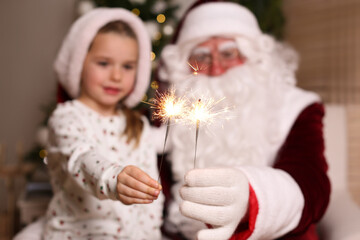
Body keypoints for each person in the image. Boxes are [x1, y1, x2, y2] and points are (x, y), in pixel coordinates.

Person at [158, 1, 331, 240]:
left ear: (252, 56)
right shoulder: (174, 109)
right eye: (202, 57)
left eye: (229, 53)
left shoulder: (297, 107)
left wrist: (252, 198)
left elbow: (312, 184)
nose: (217, 67)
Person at [14, 8, 164, 240]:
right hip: (76, 233)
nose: (116, 76)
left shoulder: (138, 125)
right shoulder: (66, 118)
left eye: (127, 66)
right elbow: (80, 158)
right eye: (104, 63)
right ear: (79, 63)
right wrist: (113, 178)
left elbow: (152, 199)